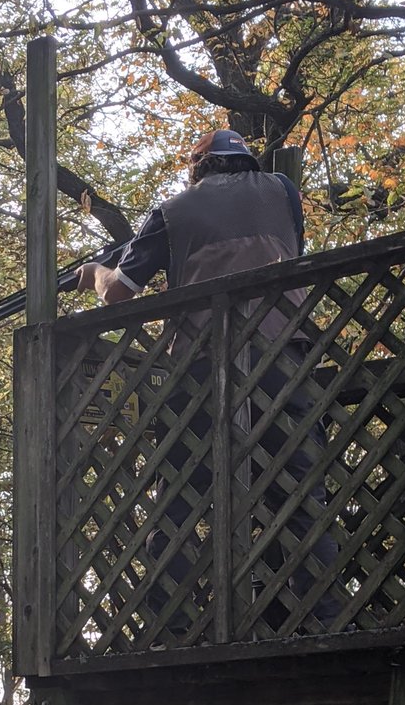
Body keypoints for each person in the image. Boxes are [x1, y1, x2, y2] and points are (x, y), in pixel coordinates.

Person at [76, 128, 342, 633]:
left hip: (203, 368)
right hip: (284, 357)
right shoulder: (284, 192)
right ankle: (316, 615)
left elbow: (119, 292)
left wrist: (95, 272)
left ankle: (169, 623)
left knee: (180, 491)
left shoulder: (171, 212)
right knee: (299, 489)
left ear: (198, 167)